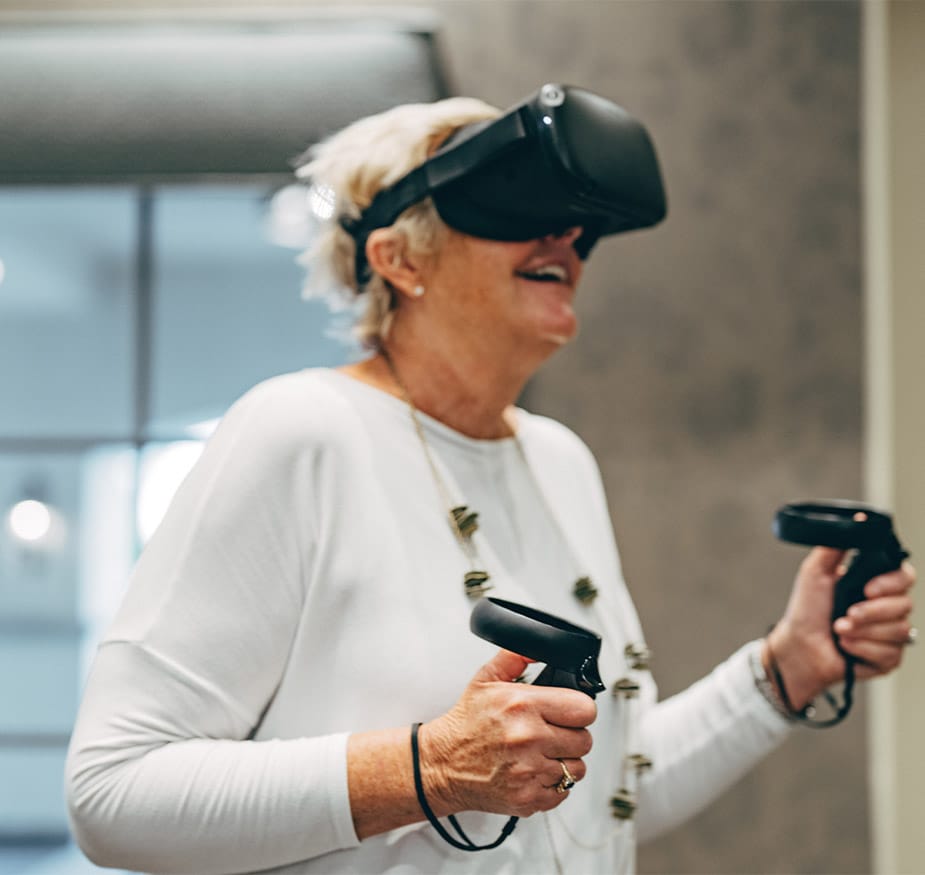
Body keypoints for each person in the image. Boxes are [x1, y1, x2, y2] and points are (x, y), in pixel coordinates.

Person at [66, 84, 916, 875]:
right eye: (518, 211)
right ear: (399, 259)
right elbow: (113, 793)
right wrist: (429, 765)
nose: (566, 241)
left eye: (576, 226)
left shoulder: (558, 460)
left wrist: (788, 667)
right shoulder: (301, 430)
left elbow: (603, 798)